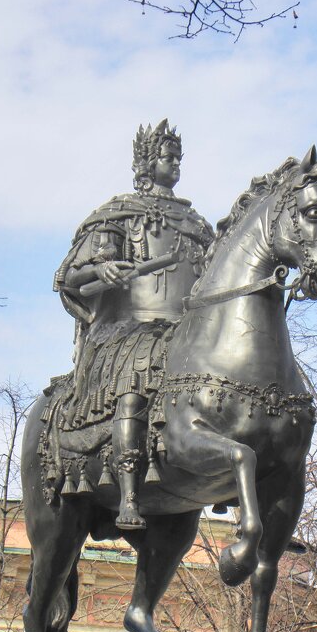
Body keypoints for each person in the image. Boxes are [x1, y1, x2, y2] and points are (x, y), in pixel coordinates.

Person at [54, 119, 214, 530]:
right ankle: (127, 494)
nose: (174, 164)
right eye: (167, 156)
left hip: (186, 333)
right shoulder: (119, 215)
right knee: (138, 370)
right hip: (129, 330)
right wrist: (103, 270)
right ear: (146, 161)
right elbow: (72, 276)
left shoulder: (198, 226)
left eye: (178, 157)